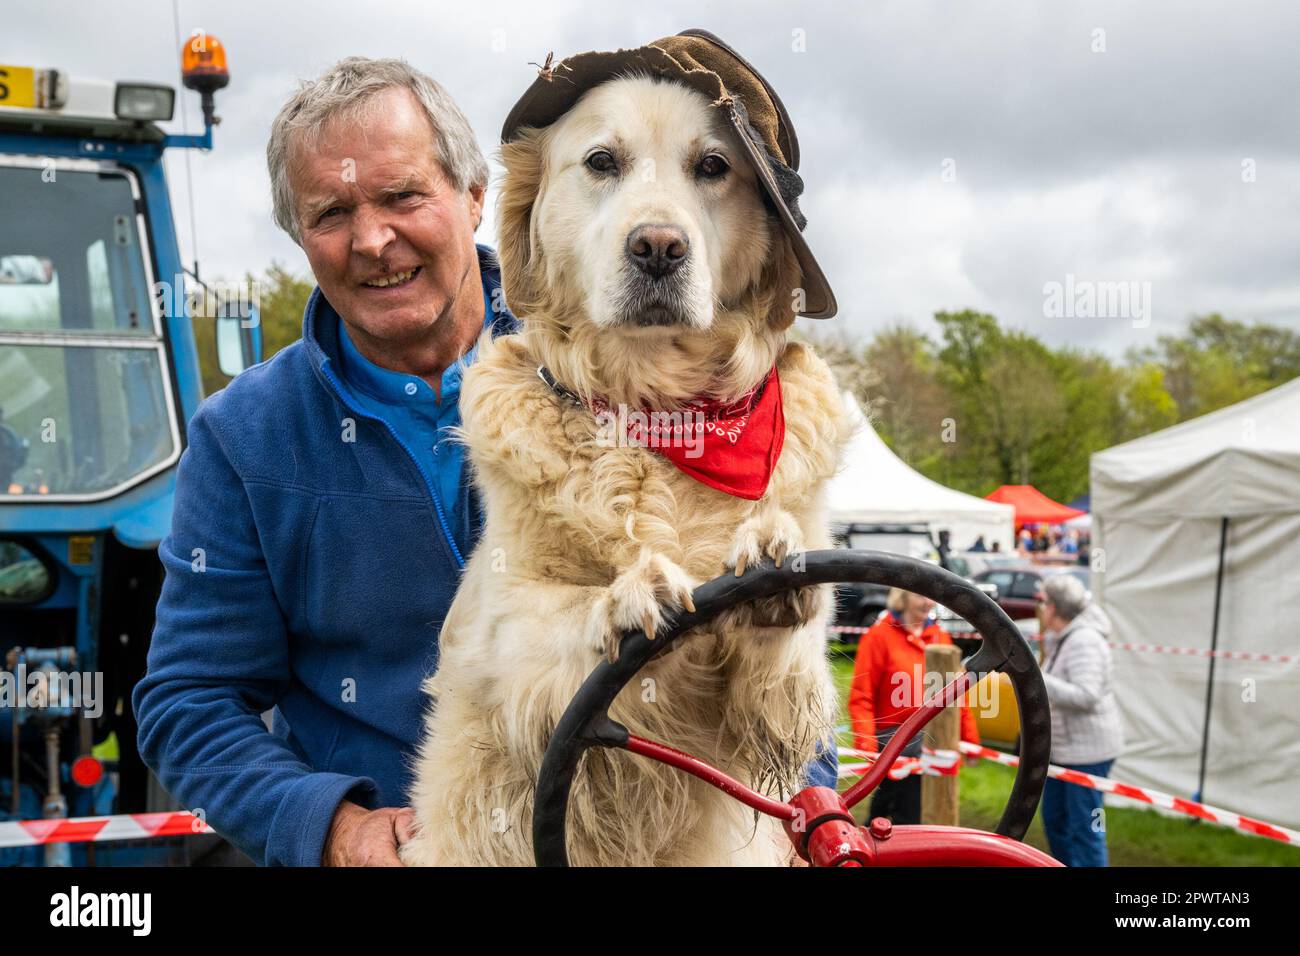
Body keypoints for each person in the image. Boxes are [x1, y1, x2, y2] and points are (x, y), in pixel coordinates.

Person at [132, 58, 517, 866]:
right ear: (300, 236)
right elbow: (189, 698)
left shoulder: (609, 374)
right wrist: (333, 827)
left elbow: (735, 616)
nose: (373, 241)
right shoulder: (245, 436)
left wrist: (800, 804)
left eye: (403, 195)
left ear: (474, 193)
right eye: (332, 212)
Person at [847, 589, 981, 824]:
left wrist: (969, 738)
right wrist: (867, 749)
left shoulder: (940, 638)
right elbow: (861, 696)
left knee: (911, 815)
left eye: (931, 596)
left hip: (930, 741)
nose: (928, 601)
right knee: (884, 814)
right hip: (891, 743)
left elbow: (957, 695)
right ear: (903, 597)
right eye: (920, 595)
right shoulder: (879, 637)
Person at [1036, 574, 1124, 866]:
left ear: (1055, 607)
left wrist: (1038, 681)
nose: (1040, 608)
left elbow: (1088, 696)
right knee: (1055, 820)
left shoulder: (1083, 641)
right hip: (1065, 751)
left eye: (1044, 602)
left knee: (1086, 830)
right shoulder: (1065, 637)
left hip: (1088, 753)